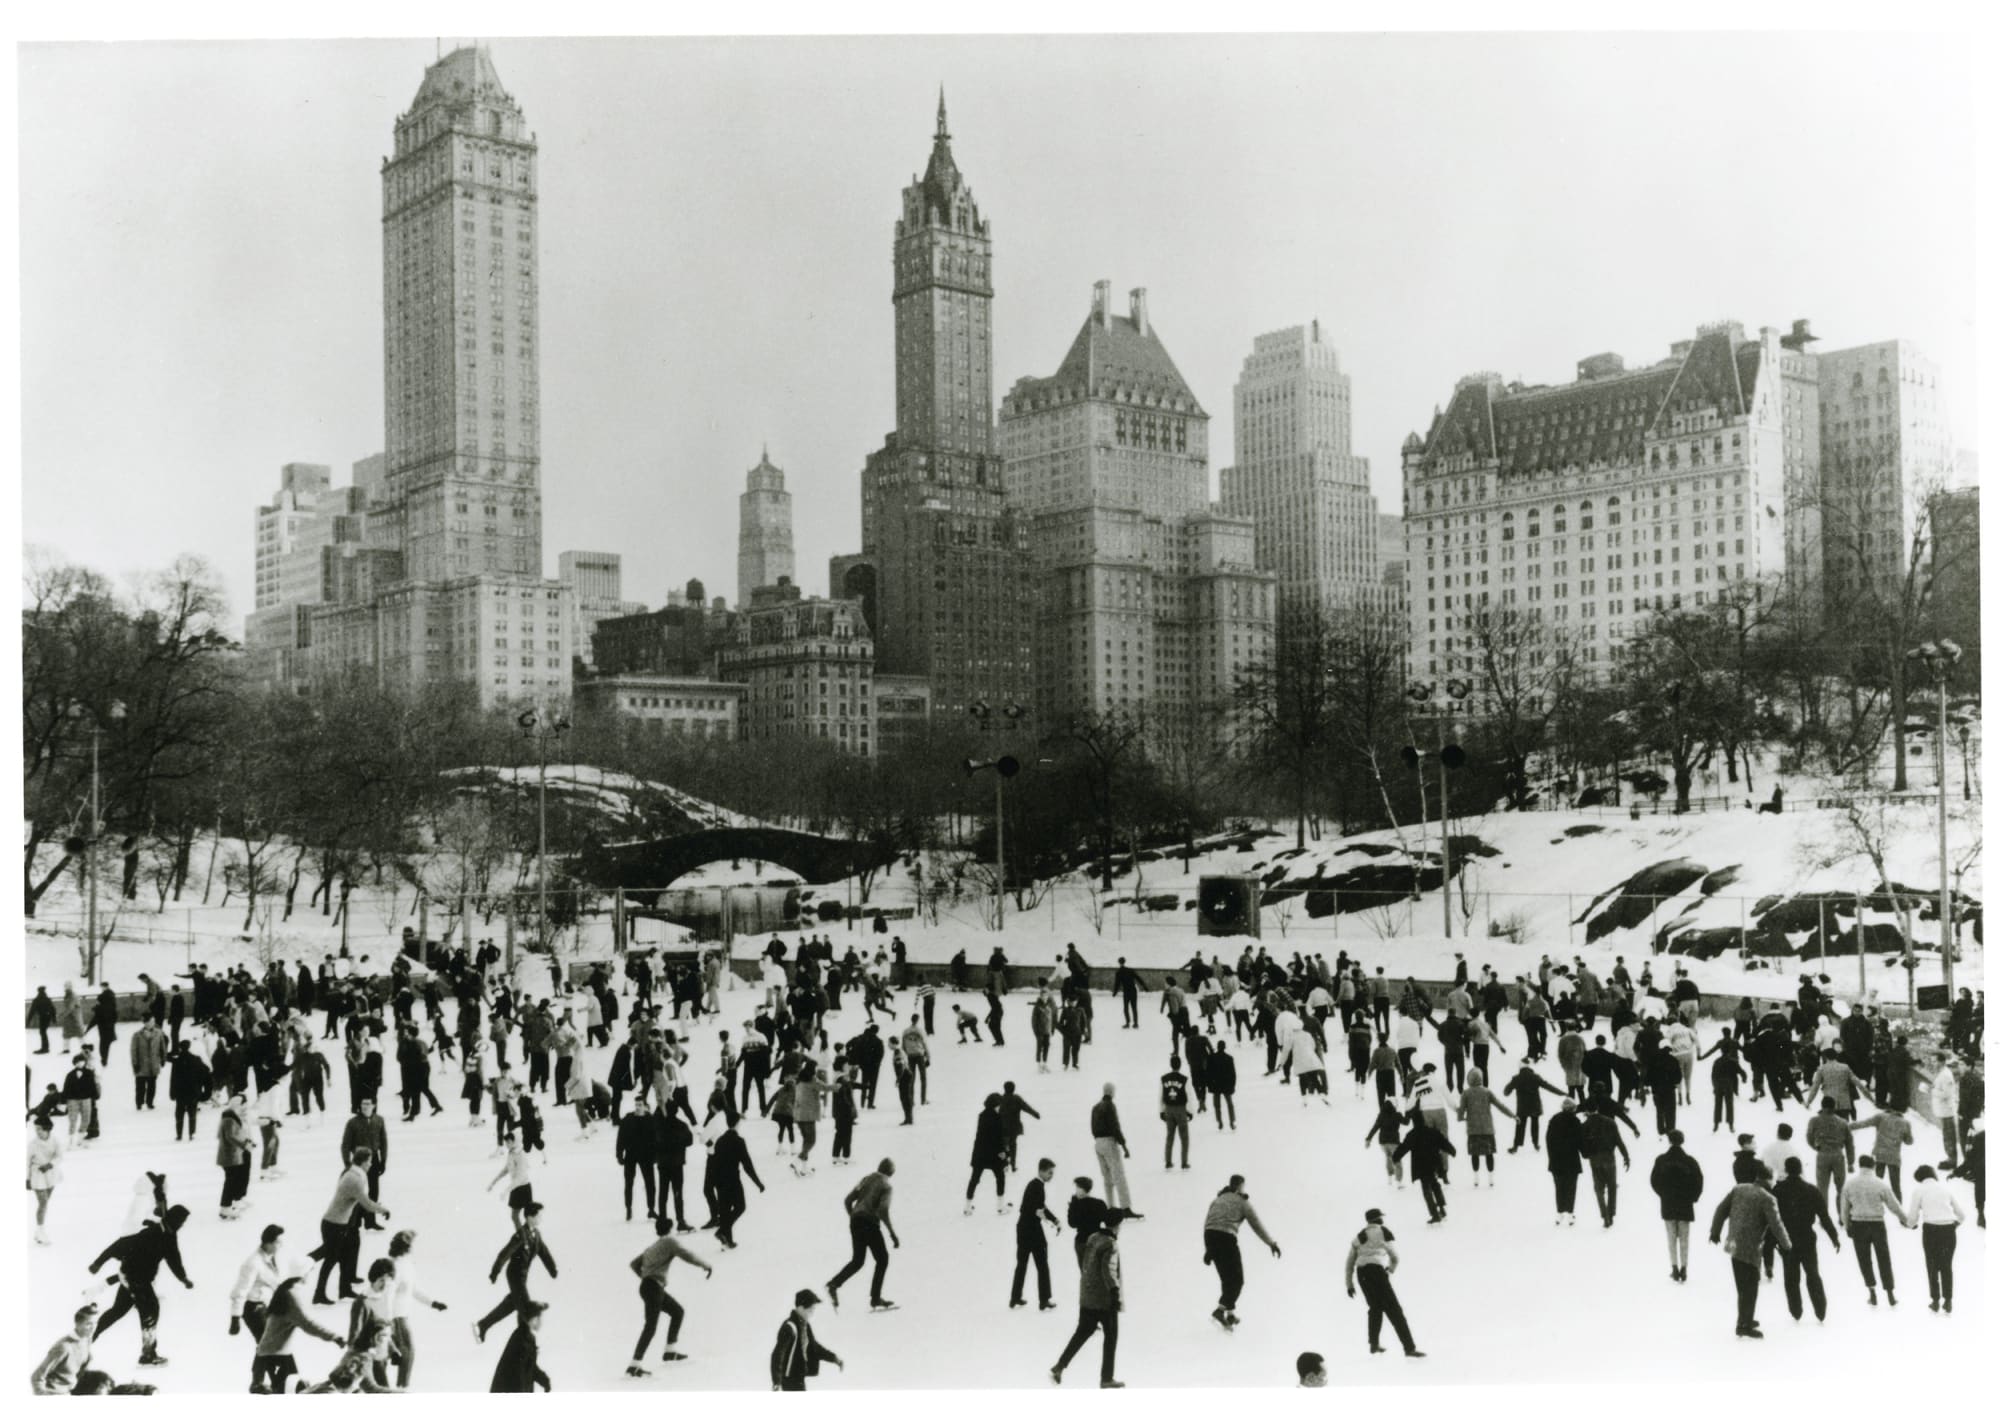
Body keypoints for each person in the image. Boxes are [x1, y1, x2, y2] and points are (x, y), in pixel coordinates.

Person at [88, 1204, 193, 1366]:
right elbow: (120, 1244)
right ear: (174, 1220)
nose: (182, 1225)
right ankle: (148, 1355)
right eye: (181, 1221)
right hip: (135, 1278)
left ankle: (87, 1339)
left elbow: (174, 1258)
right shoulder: (153, 1233)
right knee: (150, 1311)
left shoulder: (168, 1234)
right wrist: (98, 1263)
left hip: (132, 1276)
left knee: (118, 1310)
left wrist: (183, 1278)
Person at [1710, 1163, 1791, 1338]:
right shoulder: (1767, 1198)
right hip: (1751, 1247)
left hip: (1733, 1244)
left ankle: (1746, 1317)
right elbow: (1777, 1226)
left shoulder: (1739, 1189)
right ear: (1768, 1178)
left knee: (1742, 1285)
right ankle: (1744, 1325)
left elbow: (1721, 1210)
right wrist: (1787, 1245)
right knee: (1751, 1286)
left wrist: (1715, 1231)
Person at [626, 1216, 714, 1375]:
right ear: (670, 1229)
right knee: (651, 1326)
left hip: (649, 1286)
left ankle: (669, 1351)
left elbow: (634, 1264)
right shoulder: (669, 1242)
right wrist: (705, 1265)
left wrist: (646, 1276)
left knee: (677, 1311)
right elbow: (688, 1255)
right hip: (654, 1287)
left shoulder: (653, 1247)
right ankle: (634, 1365)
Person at [1050, 1209, 1124, 1387]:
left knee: (1082, 1332)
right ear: (1117, 1225)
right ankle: (1106, 1378)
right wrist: (1114, 1293)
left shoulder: (1093, 1238)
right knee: (1111, 1336)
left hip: (1086, 1296)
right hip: (1104, 1299)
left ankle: (1060, 1366)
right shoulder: (1110, 1244)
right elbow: (1109, 1271)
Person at [1202, 1174, 1280, 1330]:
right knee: (1237, 1280)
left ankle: (1230, 1314)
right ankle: (1220, 1310)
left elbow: (1209, 1222)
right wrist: (1271, 1243)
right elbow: (1257, 1225)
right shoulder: (1243, 1202)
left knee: (1227, 1279)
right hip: (1226, 1239)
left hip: (1210, 1237)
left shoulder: (1217, 1200)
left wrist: (1209, 1249)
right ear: (1240, 1186)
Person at [309, 1149, 388, 1303]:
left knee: (342, 1256)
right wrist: (383, 1209)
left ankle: (344, 1290)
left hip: (338, 1223)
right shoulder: (355, 1179)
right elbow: (366, 1203)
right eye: (369, 1161)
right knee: (330, 1258)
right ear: (363, 1162)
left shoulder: (353, 1174)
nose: (371, 1164)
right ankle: (317, 1289)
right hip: (334, 1224)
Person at [249, 1266, 342, 1394]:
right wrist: (334, 1337)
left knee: (295, 1390)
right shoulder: (291, 1294)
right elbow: (307, 1324)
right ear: (302, 1273)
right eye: (309, 1271)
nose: (310, 1274)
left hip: (272, 1354)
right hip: (276, 1356)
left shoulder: (285, 1290)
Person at [1343, 1208, 1422, 1357]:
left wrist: (1349, 1284)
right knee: (1395, 1311)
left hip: (1362, 1275)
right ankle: (1409, 1348)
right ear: (1378, 1219)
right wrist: (1390, 1270)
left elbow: (1349, 1262)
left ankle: (1374, 1344)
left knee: (1375, 1308)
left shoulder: (1359, 1236)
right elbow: (1395, 1257)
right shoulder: (1382, 1232)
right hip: (1377, 1272)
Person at [475, 1203, 558, 1343]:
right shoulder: (521, 1234)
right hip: (514, 1275)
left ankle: (484, 1324)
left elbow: (544, 1252)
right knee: (525, 1307)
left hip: (523, 1277)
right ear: (530, 1217)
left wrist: (552, 1269)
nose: (541, 1219)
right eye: (539, 1216)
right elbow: (506, 1252)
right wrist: (495, 1271)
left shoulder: (536, 1235)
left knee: (512, 1304)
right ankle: (531, 1321)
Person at [826, 1157, 899, 1311]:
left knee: (858, 1261)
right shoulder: (886, 1186)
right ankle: (875, 1298)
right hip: (870, 1223)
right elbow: (882, 1210)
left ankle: (833, 1284)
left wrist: (855, 1218)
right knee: (883, 1259)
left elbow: (847, 1201)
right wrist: (892, 1233)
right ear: (891, 1173)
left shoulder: (866, 1179)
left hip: (855, 1222)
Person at [1774, 1155, 1840, 1322]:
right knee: (1812, 1273)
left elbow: (1771, 1219)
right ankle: (1820, 1310)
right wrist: (1834, 1237)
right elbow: (1824, 1216)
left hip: (1786, 1238)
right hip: (1806, 1236)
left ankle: (1796, 1311)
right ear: (1801, 1169)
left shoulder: (1778, 1190)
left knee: (1791, 1276)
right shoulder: (1811, 1190)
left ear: (1786, 1170)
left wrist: (1770, 1242)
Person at [1837, 1154, 1907, 1306]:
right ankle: (1890, 1294)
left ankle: (1872, 1292)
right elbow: (1894, 1206)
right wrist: (1906, 1220)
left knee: (1864, 1260)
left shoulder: (1849, 1184)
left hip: (1858, 1225)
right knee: (1884, 1258)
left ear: (1859, 1165)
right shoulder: (1880, 1184)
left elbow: (1844, 1208)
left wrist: (1846, 1225)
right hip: (1877, 1225)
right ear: (1873, 1166)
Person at [385, 1230, 446, 1390]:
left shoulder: (407, 1264)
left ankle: (395, 1388)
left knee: (396, 1353)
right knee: (407, 1351)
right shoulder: (393, 1266)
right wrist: (388, 1321)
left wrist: (432, 1303)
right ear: (405, 1246)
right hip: (395, 1317)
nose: (413, 1247)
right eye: (411, 1244)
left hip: (401, 1316)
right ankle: (400, 1388)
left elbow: (413, 1289)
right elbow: (388, 1295)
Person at [1903, 1163, 1966, 1313]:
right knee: (1946, 1266)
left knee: (1932, 1265)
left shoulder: (1919, 1190)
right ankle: (1948, 1301)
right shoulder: (1945, 1189)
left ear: (1920, 1178)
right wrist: (1953, 1225)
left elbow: (1912, 1218)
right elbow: (1962, 1215)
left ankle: (1935, 1300)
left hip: (1931, 1230)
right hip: (1949, 1230)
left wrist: (1911, 1225)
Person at [1649, 1130, 1704, 1282]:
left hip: (1668, 1203)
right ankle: (1684, 1268)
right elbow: (1699, 1181)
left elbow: (1654, 1181)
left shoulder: (1661, 1160)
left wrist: (1663, 1194)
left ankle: (1674, 1267)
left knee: (1671, 1237)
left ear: (1669, 1140)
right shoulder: (1690, 1161)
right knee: (1684, 1238)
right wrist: (1693, 1198)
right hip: (1685, 1204)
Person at [1011, 1158, 1060, 1311]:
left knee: (1022, 1264)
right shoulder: (1037, 1186)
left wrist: (1053, 1219)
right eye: (1049, 1172)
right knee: (1042, 1265)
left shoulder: (1034, 1185)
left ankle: (1015, 1297)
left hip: (1022, 1228)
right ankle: (1044, 1300)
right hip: (1032, 1230)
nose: (1051, 1176)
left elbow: (1038, 1207)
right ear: (1041, 1171)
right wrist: (1050, 1219)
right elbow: (1034, 1208)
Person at [771, 1290, 842, 1392]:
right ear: (800, 1308)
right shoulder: (790, 1327)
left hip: (799, 1376)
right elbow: (778, 1354)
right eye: (811, 1310)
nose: (812, 1313)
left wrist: (834, 1358)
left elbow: (814, 1348)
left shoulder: (805, 1326)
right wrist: (777, 1381)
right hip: (789, 1379)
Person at [228, 1224, 285, 1342]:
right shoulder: (253, 1263)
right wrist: (235, 1318)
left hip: (266, 1307)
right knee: (269, 1345)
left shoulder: (271, 1257)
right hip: (253, 1310)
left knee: (268, 1346)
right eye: (278, 1243)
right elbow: (240, 1291)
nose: (281, 1245)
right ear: (268, 1244)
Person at [1579, 1100, 1632, 1228]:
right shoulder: (1610, 1122)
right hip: (1609, 1157)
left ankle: (1604, 1215)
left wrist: (1586, 1155)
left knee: (1599, 1188)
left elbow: (1582, 1145)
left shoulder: (1585, 1125)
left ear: (1587, 1111)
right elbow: (1619, 1141)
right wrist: (1626, 1156)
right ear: (1597, 1108)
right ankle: (1611, 1213)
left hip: (1595, 1159)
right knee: (1612, 1186)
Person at [31, 1303, 100, 1395]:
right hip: (54, 1393)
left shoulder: (86, 1340)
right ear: (77, 1324)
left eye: (96, 1323)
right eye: (88, 1324)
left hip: (69, 1392)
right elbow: (36, 1377)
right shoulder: (63, 1347)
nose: (93, 1328)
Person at [489, 1299, 551, 1393]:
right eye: (537, 1317)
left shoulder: (528, 1338)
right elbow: (517, 1373)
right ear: (530, 1319)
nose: (540, 1321)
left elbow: (530, 1367)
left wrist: (544, 1380)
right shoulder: (521, 1339)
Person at [1091, 1083, 1133, 1210]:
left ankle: (1111, 1206)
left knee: (1107, 1178)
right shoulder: (1110, 1106)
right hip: (1109, 1142)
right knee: (1118, 1175)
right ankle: (1125, 1207)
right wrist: (1124, 1145)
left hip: (1098, 1143)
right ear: (1112, 1092)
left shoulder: (1095, 1107)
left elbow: (1092, 1128)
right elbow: (1115, 1126)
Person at [967, 1093, 1010, 1213]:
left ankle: (967, 1206)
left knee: (974, 1179)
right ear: (995, 1105)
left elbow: (981, 1136)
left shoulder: (981, 1116)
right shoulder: (997, 1118)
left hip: (980, 1153)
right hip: (994, 1155)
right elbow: (998, 1138)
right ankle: (1000, 1207)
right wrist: (1004, 1155)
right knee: (1000, 1178)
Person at [1545, 1097, 1585, 1224]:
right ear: (1573, 1109)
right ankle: (1570, 1213)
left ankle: (1559, 1213)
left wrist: (1551, 1156)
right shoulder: (1575, 1121)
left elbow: (1548, 1140)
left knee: (1559, 1187)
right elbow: (1580, 1141)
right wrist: (1585, 1153)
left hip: (1556, 1160)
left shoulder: (1554, 1120)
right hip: (1571, 1160)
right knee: (1571, 1187)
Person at [27, 1115, 63, 1245]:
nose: (37, 1132)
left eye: (40, 1129)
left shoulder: (55, 1141)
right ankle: (40, 1230)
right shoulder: (33, 1144)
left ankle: (39, 1231)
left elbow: (60, 1156)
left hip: (51, 1174)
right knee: (43, 1202)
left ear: (47, 1129)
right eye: (36, 1129)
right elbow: (26, 1161)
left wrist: (50, 1164)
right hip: (37, 1175)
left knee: (45, 1202)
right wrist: (26, 1179)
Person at [1161, 1055, 1193, 1169]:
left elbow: (1161, 1095)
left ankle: (1168, 1161)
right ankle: (1184, 1162)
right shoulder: (1184, 1079)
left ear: (1171, 1064)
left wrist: (1161, 1110)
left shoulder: (1164, 1078)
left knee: (1170, 1136)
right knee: (1184, 1137)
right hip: (1181, 1109)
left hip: (1169, 1109)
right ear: (1180, 1065)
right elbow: (1188, 1095)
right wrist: (1189, 1111)